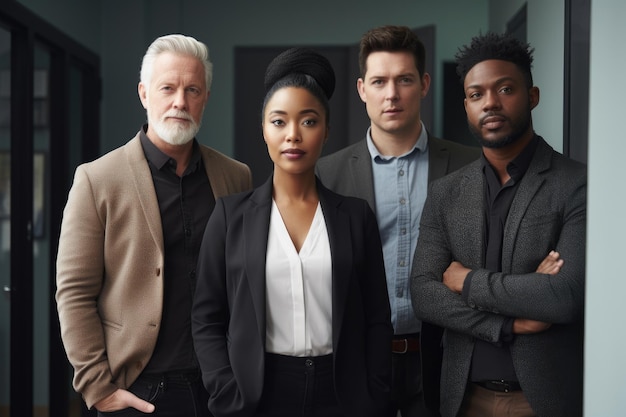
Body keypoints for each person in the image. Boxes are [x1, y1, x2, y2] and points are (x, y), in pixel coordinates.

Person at [55, 34, 252, 416]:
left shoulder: (235, 176)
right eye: (168, 88)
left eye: (193, 89)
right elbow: (74, 292)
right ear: (144, 94)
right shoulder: (97, 179)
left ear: (206, 98)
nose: (181, 102)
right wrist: (97, 386)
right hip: (137, 391)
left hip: (217, 389)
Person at [191, 47, 392, 417]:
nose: (293, 135)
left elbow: (377, 319)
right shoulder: (230, 217)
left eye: (309, 121)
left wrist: (374, 393)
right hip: (259, 394)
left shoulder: (355, 217)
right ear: (263, 129)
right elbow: (206, 318)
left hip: (342, 393)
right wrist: (226, 391)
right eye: (279, 121)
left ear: (327, 130)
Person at [410, 32, 586, 417]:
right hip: (464, 399)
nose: (490, 102)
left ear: (532, 95)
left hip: (541, 400)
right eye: (476, 94)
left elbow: (565, 297)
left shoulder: (575, 184)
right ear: (467, 106)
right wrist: (513, 323)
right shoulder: (445, 193)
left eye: (505, 89)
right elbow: (424, 293)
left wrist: (465, 280)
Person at [315, 25, 479, 417]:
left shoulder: (469, 166)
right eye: (379, 81)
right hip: (360, 358)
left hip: (443, 354)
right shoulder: (326, 174)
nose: (392, 94)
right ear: (361, 89)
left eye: (404, 80)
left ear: (423, 84)